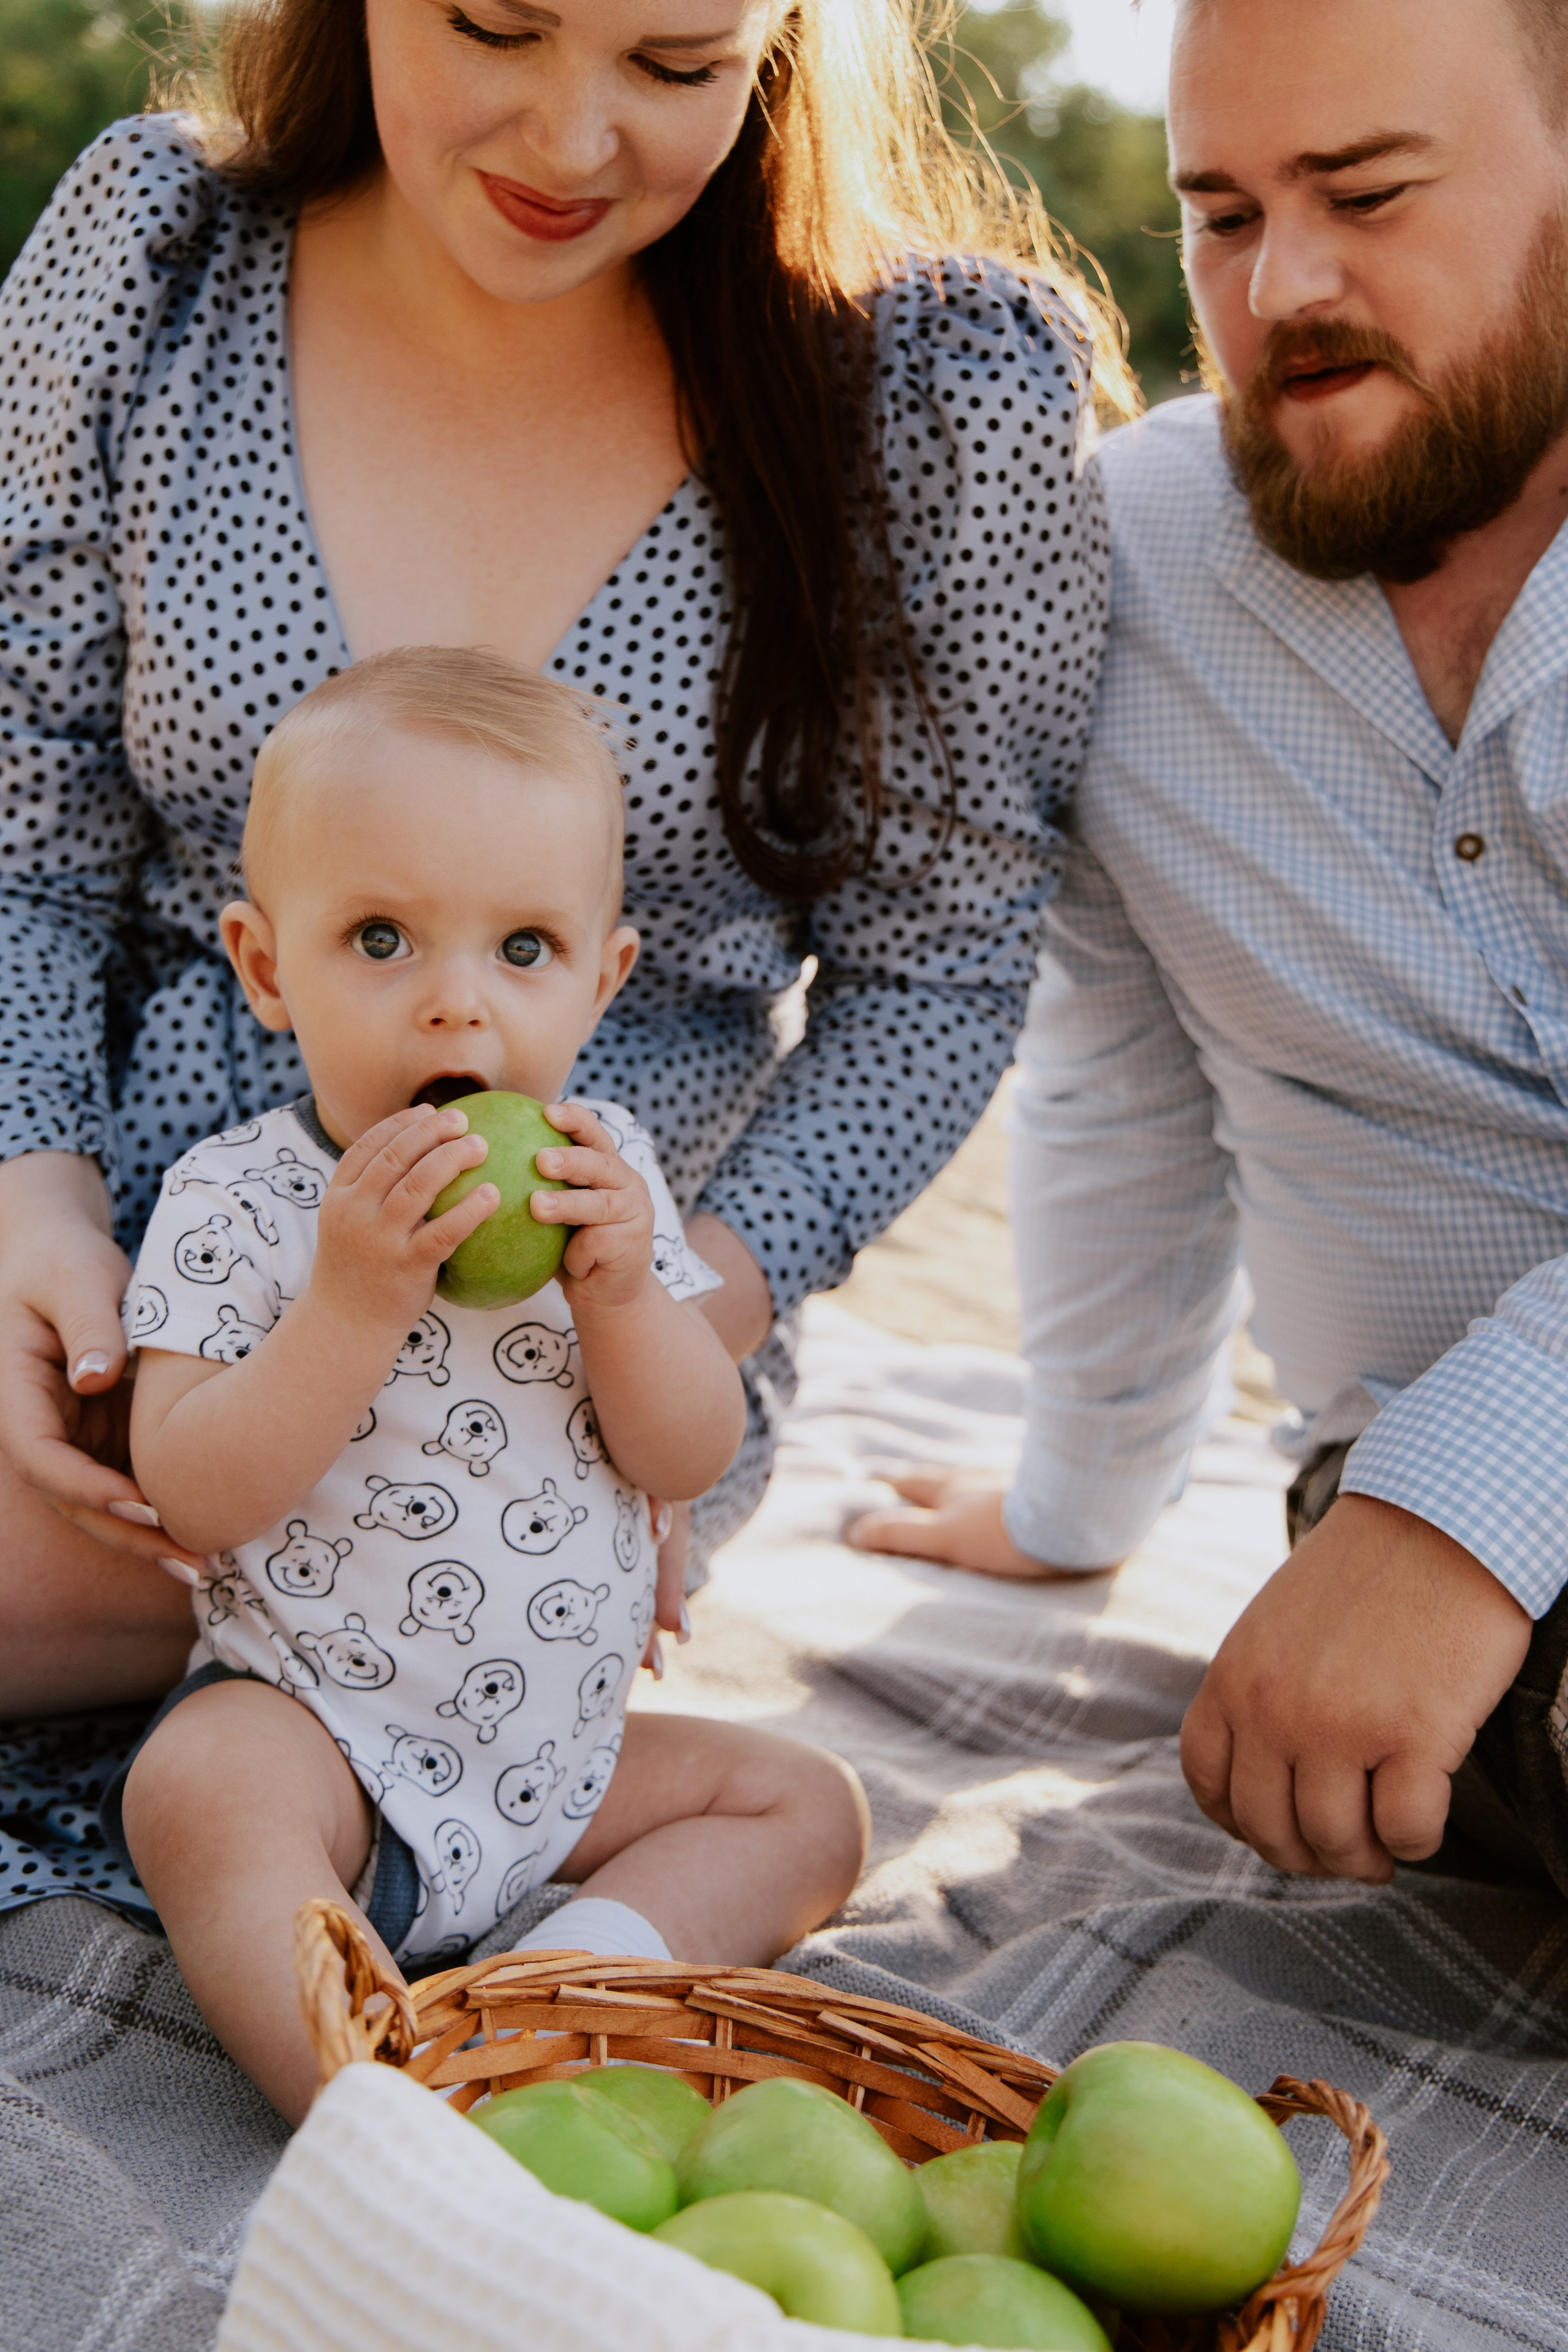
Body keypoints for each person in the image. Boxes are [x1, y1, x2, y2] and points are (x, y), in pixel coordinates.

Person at [0, 0, 1115, 1923]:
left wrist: (672, 1322)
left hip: (582, 1352)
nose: (571, 137)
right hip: (106, 1241)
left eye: (673, 66)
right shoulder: (155, 260)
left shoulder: (931, 401)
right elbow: (24, 829)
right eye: (497, 27)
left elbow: (937, 969)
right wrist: (35, 1215)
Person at [854, 0, 1568, 1898]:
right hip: (1411, 1571)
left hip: (1436, 1519)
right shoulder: (1124, 564)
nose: (1286, 284)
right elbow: (1127, 1074)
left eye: (1365, 192)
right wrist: (1076, 1494)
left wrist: (1465, 1510)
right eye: (1224, 213)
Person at [107, 646, 869, 2123]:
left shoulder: (607, 1187)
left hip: (556, 1768)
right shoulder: (242, 1202)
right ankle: (369, 2103)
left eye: (521, 950)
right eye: (381, 938)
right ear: (268, 969)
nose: (458, 1010)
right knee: (193, 1791)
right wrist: (346, 1305)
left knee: (805, 1807)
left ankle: (567, 1989)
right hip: (323, 1735)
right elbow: (188, 1487)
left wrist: (628, 1299)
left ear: (604, 976)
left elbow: (686, 1454)